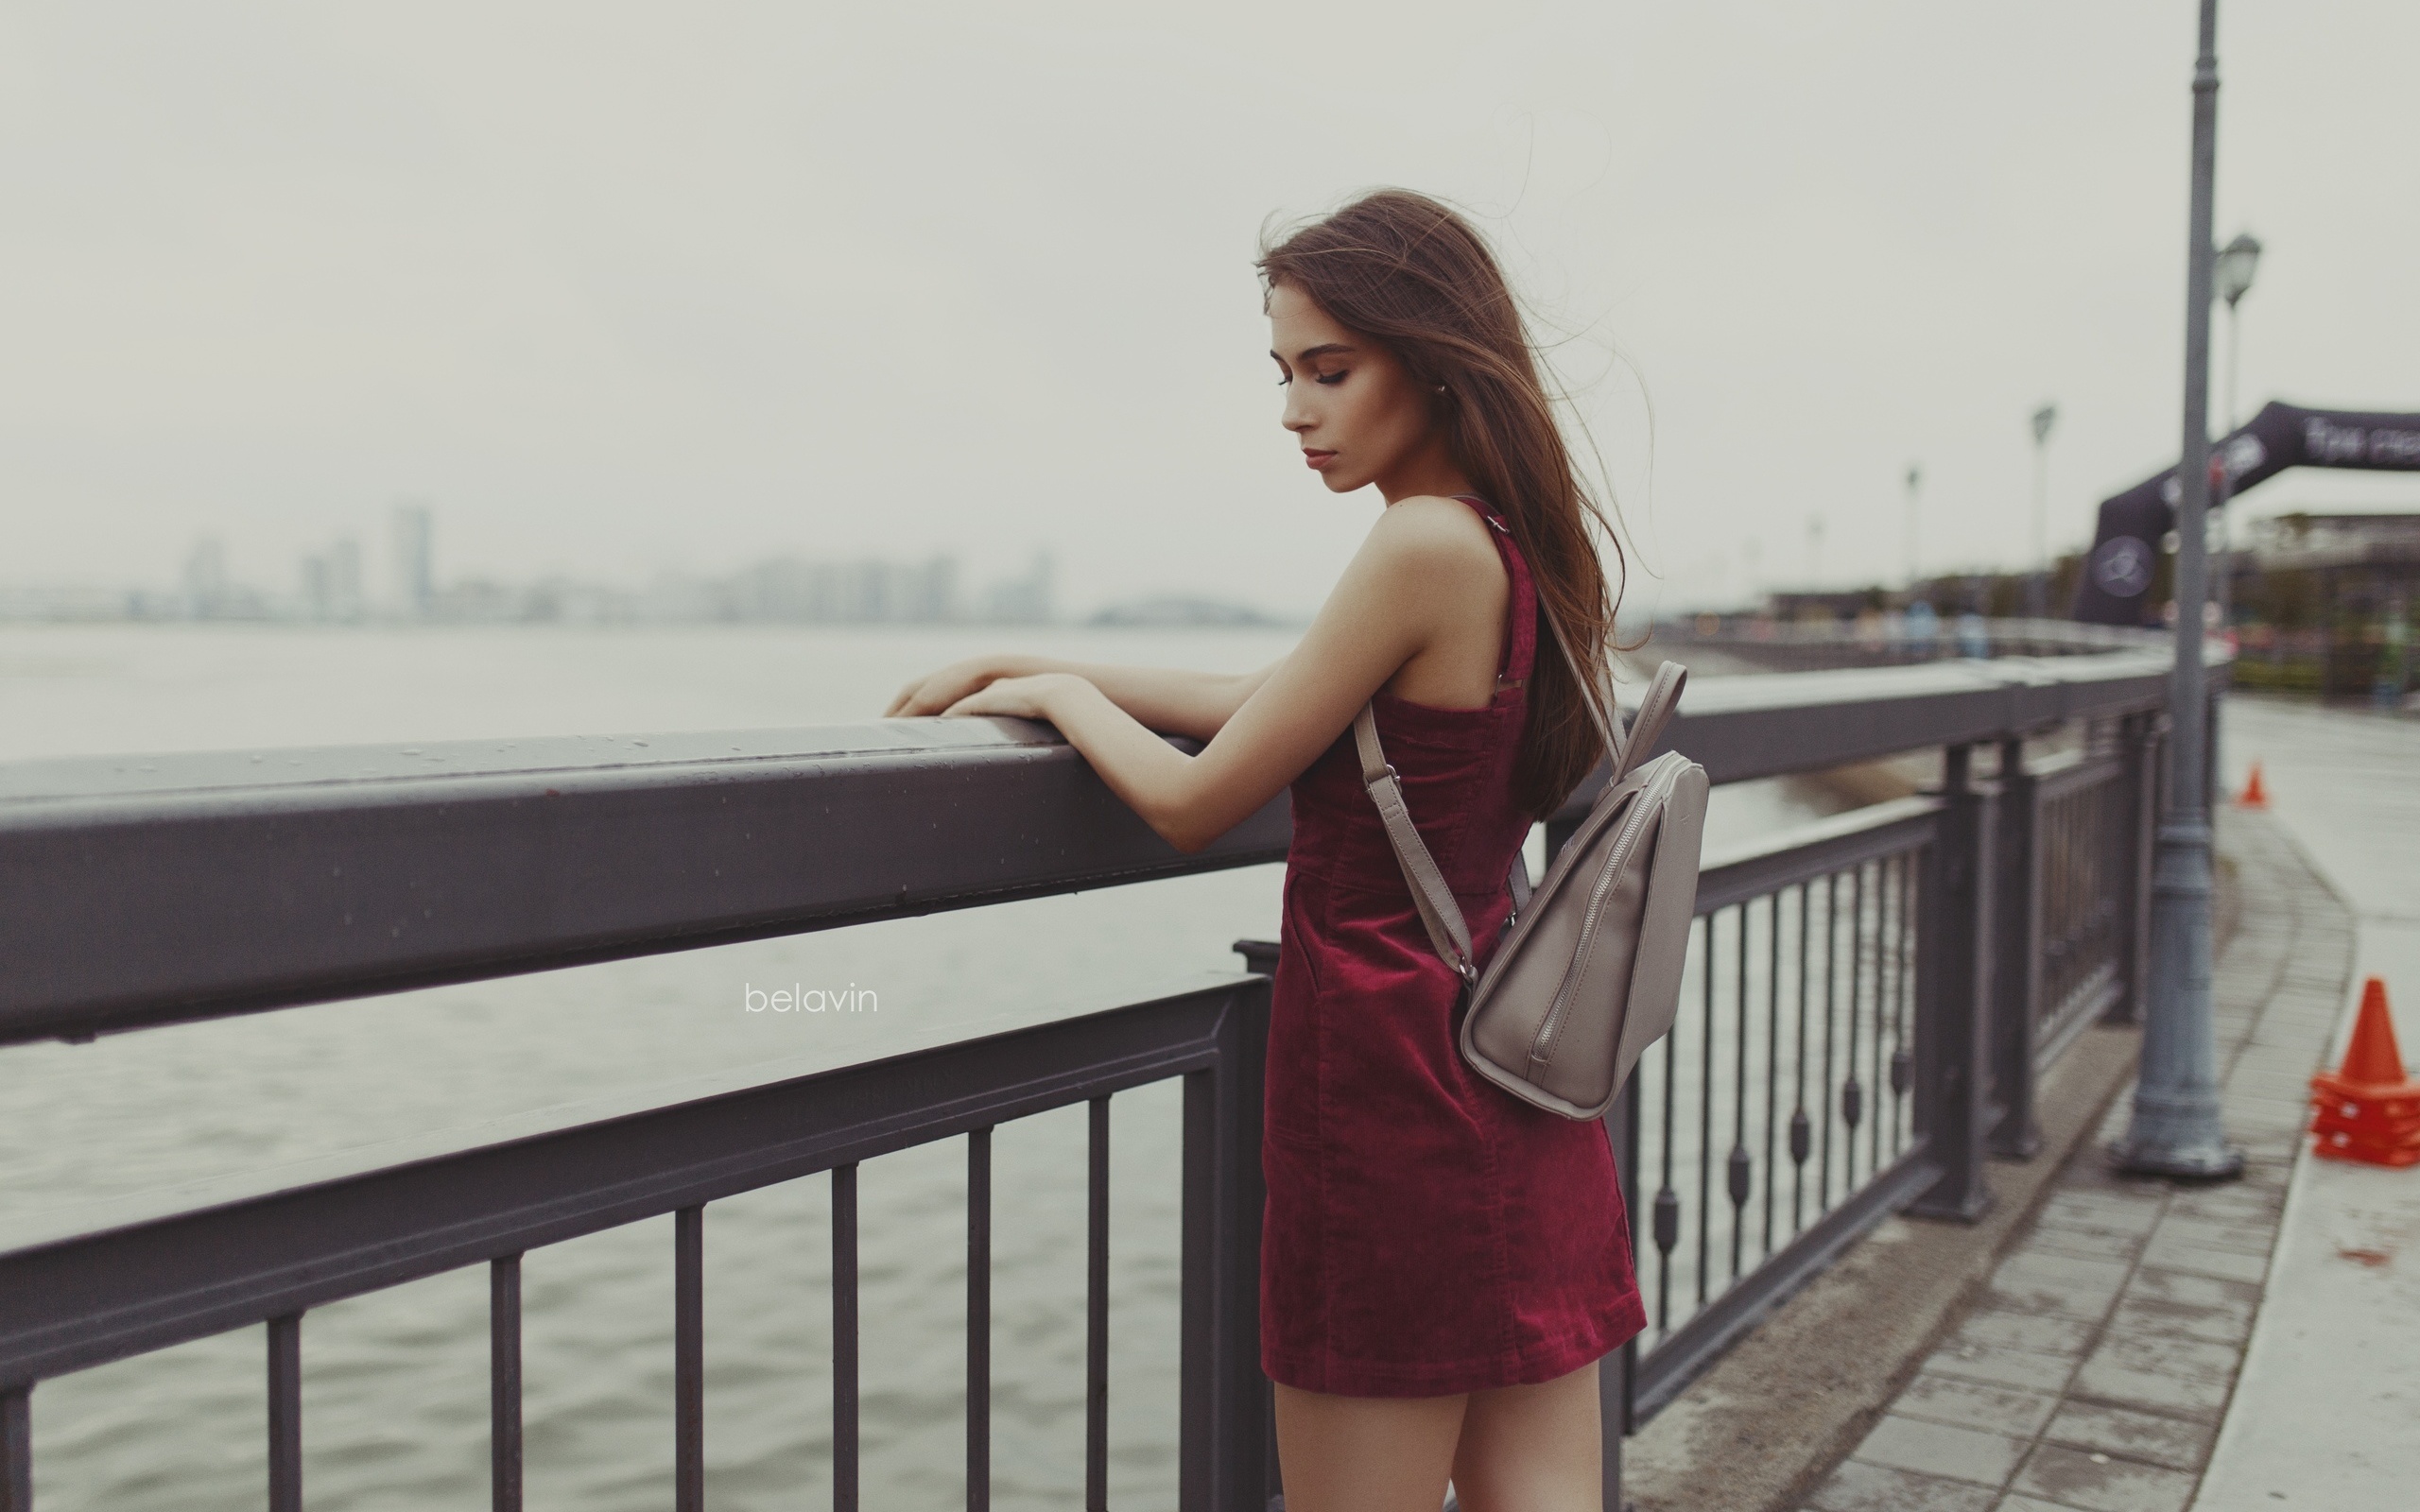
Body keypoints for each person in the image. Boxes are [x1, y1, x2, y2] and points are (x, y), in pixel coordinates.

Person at [884, 188, 1646, 1512]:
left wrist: (1057, 703)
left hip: (1392, 1095)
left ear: (1433, 354)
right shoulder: (1513, 548)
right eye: (1285, 373)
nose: (1295, 410)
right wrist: (1040, 656)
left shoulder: (1418, 542)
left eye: (1330, 370)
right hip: (1516, 1081)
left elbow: (1193, 800)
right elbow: (1282, 699)